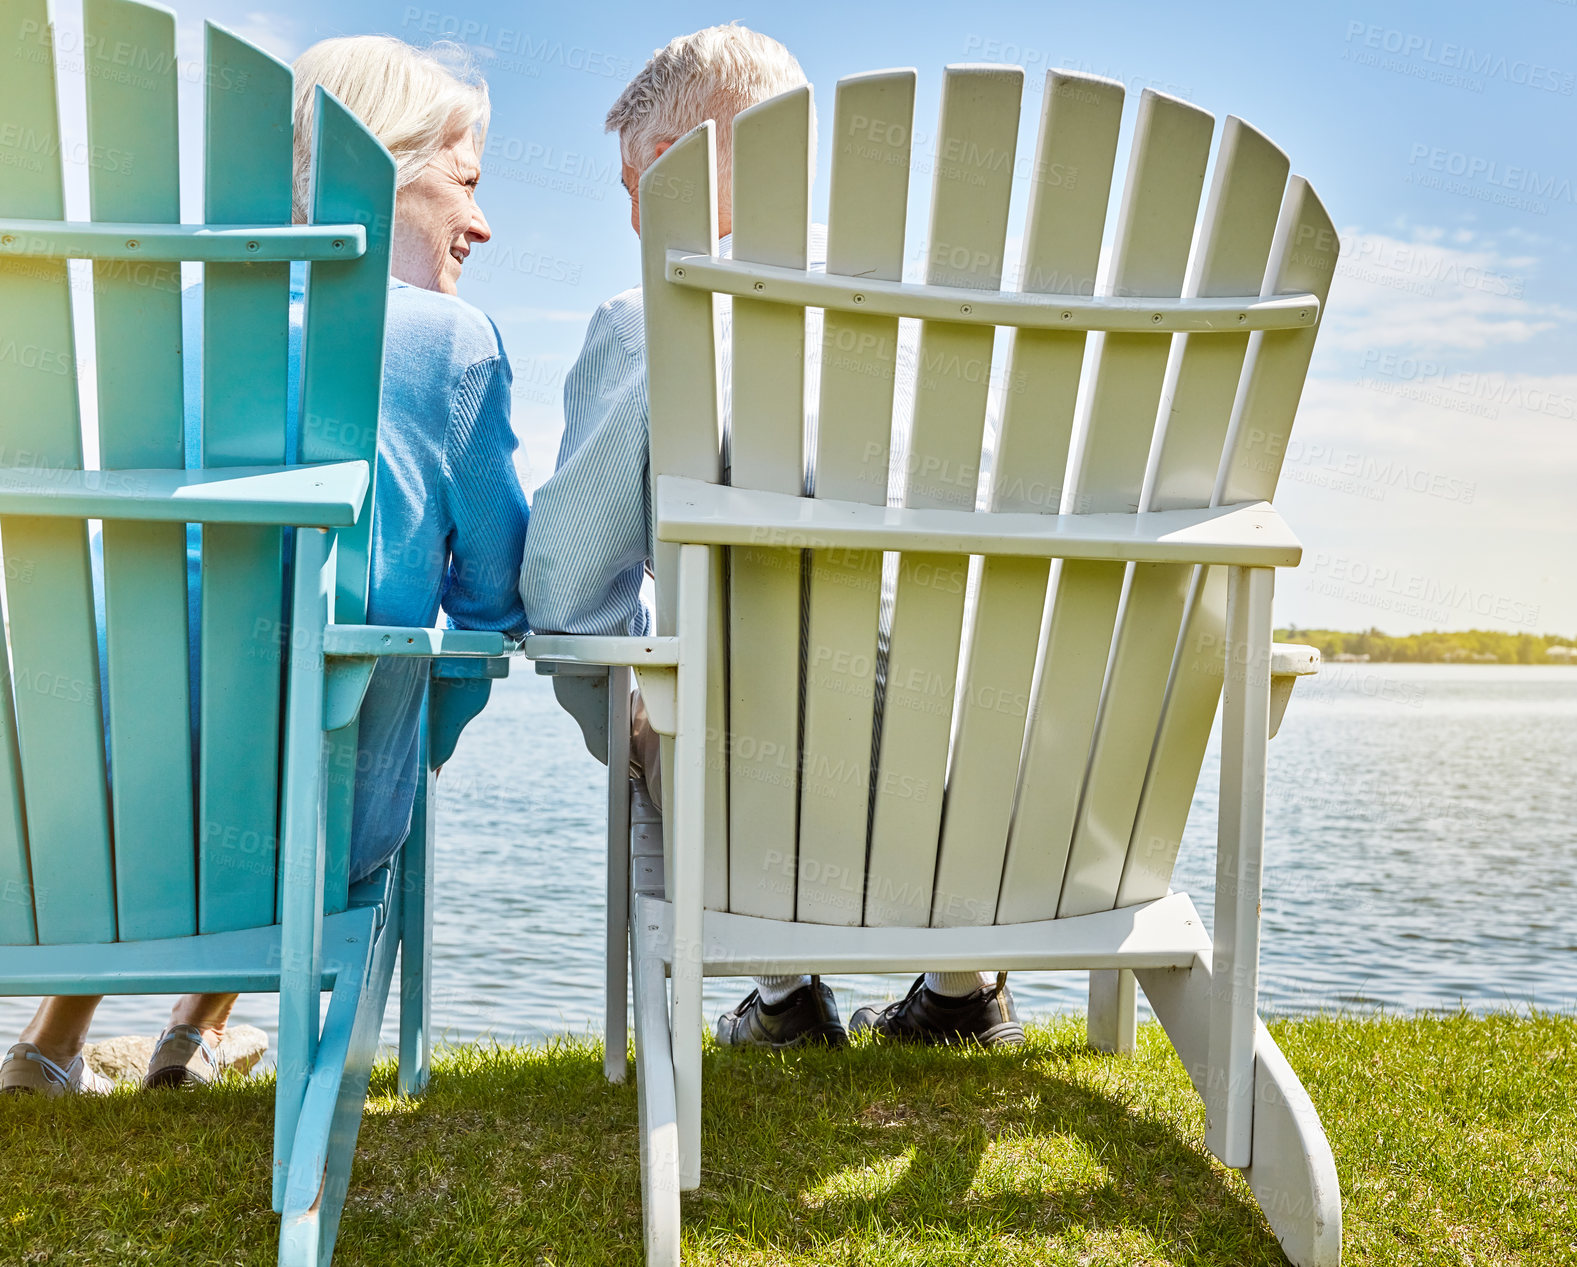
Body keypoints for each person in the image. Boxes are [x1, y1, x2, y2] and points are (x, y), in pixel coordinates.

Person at [1, 36, 530, 1096]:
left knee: (202, 663)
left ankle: (56, 1043)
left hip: (79, 833)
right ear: (381, 166)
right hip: (313, 836)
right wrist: (423, 733)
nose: (480, 223)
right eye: (464, 183)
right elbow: (491, 600)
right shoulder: (448, 344)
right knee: (325, 700)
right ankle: (190, 1041)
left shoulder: (157, 329)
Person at [519, 24, 1024, 1051]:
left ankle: (786, 996)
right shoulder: (949, 324)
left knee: (659, 697)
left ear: (668, 170)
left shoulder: (646, 324)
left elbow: (566, 596)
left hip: (769, 813)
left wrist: (615, 727)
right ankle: (965, 985)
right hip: (998, 793)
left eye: (629, 185)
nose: (628, 216)